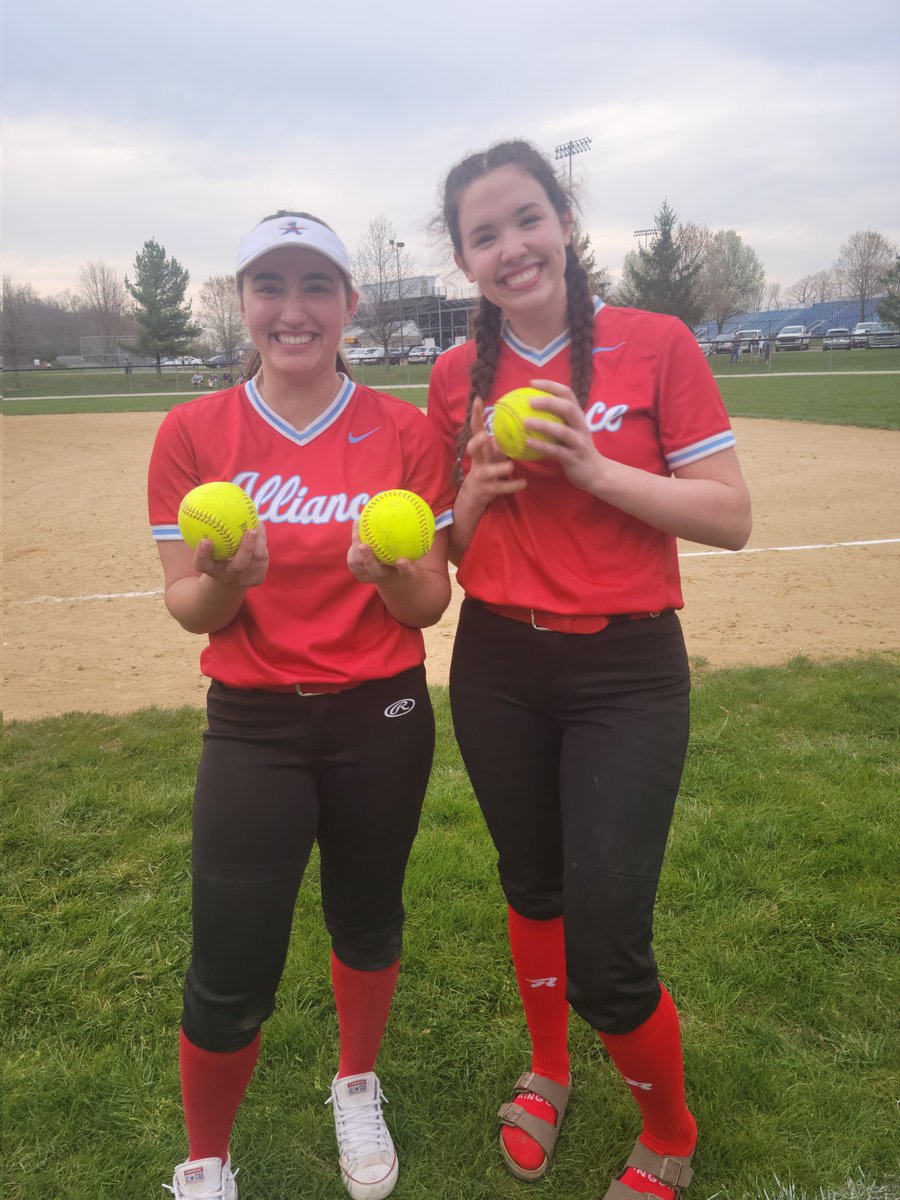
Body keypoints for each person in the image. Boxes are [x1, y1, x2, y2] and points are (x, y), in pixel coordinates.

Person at [427, 141, 751, 1199]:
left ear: (563, 216)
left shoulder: (655, 343)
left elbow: (730, 517)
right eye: (485, 234)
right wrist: (474, 493)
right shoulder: (450, 378)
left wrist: (591, 468)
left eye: (527, 218)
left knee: (612, 948)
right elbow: (448, 554)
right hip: (499, 664)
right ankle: (550, 1069)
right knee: (531, 884)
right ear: (465, 259)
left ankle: (670, 1132)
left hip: (627, 669)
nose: (511, 246)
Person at [148, 209, 454, 1200]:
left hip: (382, 713)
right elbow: (190, 609)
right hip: (255, 722)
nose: (293, 309)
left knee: (367, 920)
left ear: (348, 305)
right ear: (243, 306)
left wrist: (387, 577)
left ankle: (355, 1084)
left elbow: (430, 602)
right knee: (231, 959)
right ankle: (206, 1159)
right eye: (270, 288)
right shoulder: (194, 433)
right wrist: (231, 582)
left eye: (316, 286)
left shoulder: (402, 431)